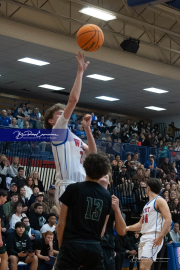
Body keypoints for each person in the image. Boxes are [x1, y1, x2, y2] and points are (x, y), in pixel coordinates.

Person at [44, 52, 97, 209]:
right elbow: (73, 100)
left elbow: (93, 154)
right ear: (52, 121)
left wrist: (87, 129)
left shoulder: (74, 137)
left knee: (79, 230)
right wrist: (80, 73)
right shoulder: (57, 131)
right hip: (66, 185)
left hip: (81, 185)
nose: (64, 115)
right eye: (60, 114)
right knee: (69, 230)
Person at [55, 152, 112, 270]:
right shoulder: (107, 196)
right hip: (94, 247)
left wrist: (62, 248)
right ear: (103, 172)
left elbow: (61, 224)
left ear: (84, 167)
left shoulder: (73, 189)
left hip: (72, 245)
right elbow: (102, 230)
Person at [126, 178, 172, 270]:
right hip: (143, 237)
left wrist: (160, 236)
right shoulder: (147, 205)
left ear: (148, 188)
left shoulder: (159, 200)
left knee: (144, 268)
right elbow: (140, 224)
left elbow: (168, 220)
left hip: (153, 237)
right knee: (142, 267)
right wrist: (126, 228)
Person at [98, 174, 126, 270]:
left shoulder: (114, 200)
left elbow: (122, 231)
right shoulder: (87, 195)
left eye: (106, 173)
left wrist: (117, 210)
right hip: (89, 245)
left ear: (109, 181)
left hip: (107, 248)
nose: (103, 174)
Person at [0, 190, 8, 270]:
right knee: (4, 257)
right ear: (1, 197)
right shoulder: (0, 207)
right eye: (5, 198)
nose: (6, 200)